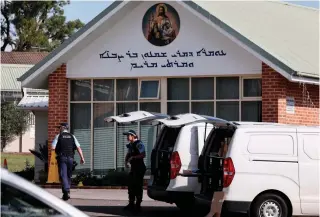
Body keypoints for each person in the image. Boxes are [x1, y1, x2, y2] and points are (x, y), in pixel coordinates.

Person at [51, 123, 85, 201]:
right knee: (68, 175)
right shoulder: (72, 136)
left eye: (60, 127)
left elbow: (53, 147)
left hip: (62, 158)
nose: (59, 129)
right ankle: (67, 192)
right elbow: (78, 148)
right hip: (70, 158)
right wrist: (82, 158)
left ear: (63, 128)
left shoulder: (58, 136)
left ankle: (66, 191)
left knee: (63, 175)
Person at [123, 130, 146, 213]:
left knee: (138, 186)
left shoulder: (139, 143)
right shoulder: (131, 145)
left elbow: (143, 154)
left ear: (133, 136)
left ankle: (138, 205)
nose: (127, 137)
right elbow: (128, 153)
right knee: (131, 185)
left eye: (128, 135)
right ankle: (131, 203)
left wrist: (133, 158)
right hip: (133, 168)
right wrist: (126, 161)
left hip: (139, 168)